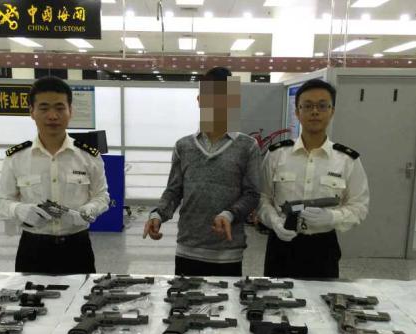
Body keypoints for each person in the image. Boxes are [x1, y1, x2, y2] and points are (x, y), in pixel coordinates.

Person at [143, 67, 260, 277]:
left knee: (226, 299)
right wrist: (158, 214)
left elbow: (252, 194)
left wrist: (229, 214)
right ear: (199, 100)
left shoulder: (247, 146)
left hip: (228, 252)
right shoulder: (183, 146)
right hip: (188, 248)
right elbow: (174, 191)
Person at [0, 76, 109, 274]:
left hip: (77, 247)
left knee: (81, 294)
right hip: (33, 248)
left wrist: (88, 210)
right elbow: (2, 201)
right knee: (29, 294)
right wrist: (20, 210)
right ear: (31, 112)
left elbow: (102, 196)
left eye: (59, 108)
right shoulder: (16, 157)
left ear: (70, 111)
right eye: (44, 108)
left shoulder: (88, 156)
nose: (52, 116)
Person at [259, 78, 369, 279]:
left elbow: (359, 206)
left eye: (322, 105)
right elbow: (262, 198)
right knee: (274, 296)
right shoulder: (277, 154)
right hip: (281, 244)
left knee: (323, 298)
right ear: (297, 112)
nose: (315, 112)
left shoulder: (347, 160)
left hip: (323, 247)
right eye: (308, 106)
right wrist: (274, 222)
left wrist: (332, 217)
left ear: (332, 111)